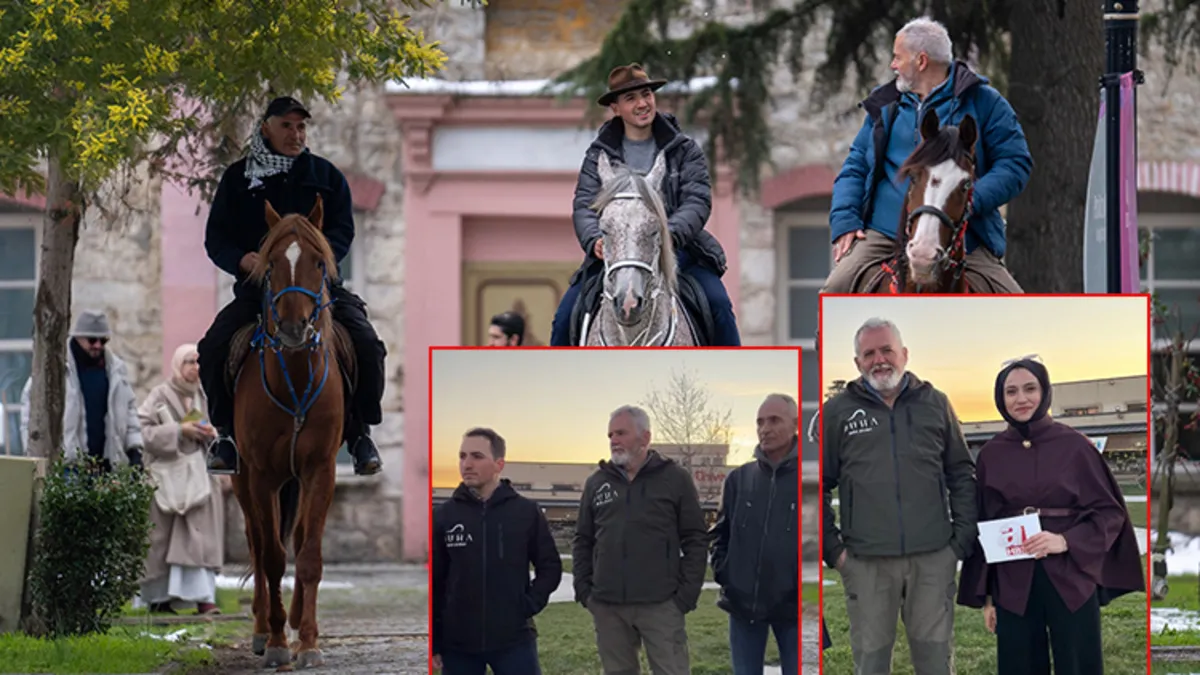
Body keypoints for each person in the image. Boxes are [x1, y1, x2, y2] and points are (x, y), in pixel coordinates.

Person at [198, 95, 385, 476]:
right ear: (265, 128)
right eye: (286, 126)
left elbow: (343, 231)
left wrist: (319, 261)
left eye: (301, 127)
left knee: (368, 344)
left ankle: (360, 435)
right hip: (258, 292)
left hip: (319, 290)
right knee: (212, 348)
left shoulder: (327, 177)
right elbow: (216, 238)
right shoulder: (238, 179)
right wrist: (243, 260)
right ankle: (226, 437)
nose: (295, 134)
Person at [956, 357, 1144, 675]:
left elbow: (1110, 512)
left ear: (1044, 392)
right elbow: (985, 523)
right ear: (1000, 398)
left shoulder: (1076, 446)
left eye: (1030, 388)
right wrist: (988, 596)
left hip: (1071, 577)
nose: (1021, 398)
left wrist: (1065, 540)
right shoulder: (991, 454)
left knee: (1078, 664)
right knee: (1019, 665)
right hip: (1013, 581)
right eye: (1011, 391)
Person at [823, 17, 1032, 294]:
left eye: (898, 57)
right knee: (835, 291)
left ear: (921, 61)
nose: (893, 65)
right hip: (885, 233)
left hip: (965, 238)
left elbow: (1014, 164)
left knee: (1015, 304)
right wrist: (846, 221)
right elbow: (856, 166)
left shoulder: (985, 102)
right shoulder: (885, 104)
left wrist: (970, 200)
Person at [821, 317, 977, 675]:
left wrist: (959, 542)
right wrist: (836, 552)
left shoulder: (936, 403)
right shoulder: (838, 412)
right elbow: (817, 485)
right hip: (866, 563)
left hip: (933, 558)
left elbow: (961, 472)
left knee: (936, 663)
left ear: (904, 354)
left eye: (887, 350)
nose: (879, 360)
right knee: (871, 663)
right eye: (869, 354)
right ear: (858, 362)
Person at [550, 63, 740, 347]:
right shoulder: (598, 155)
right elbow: (585, 206)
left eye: (646, 95)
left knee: (719, 305)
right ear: (615, 108)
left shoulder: (685, 150)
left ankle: (731, 367)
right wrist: (594, 240)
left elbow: (697, 200)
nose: (642, 104)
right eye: (631, 98)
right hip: (616, 255)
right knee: (564, 318)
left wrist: (670, 234)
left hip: (679, 251)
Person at [573, 405, 708, 675]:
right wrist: (585, 591)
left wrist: (685, 595)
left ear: (645, 437)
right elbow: (583, 539)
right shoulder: (597, 482)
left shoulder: (675, 478)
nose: (614, 440)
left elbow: (695, 537)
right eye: (610, 435)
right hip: (608, 605)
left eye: (621, 433)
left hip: (661, 604)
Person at [431, 428, 562, 674]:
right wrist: (435, 640)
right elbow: (434, 581)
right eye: (462, 456)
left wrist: (527, 605)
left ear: (499, 464)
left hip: (514, 641)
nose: (467, 464)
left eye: (477, 456)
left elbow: (550, 567)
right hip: (458, 645)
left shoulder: (525, 512)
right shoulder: (444, 515)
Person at [134, 343, 227, 615]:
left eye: (198, 362)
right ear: (177, 365)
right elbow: (141, 432)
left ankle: (204, 599)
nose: (195, 368)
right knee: (161, 541)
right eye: (189, 362)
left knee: (199, 538)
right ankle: (160, 600)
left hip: (200, 481)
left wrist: (211, 434)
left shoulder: (206, 396)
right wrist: (178, 431)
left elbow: (224, 430)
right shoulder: (159, 395)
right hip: (167, 480)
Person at [711, 393, 800, 675]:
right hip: (743, 606)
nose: (765, 428)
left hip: (796, 609)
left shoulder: (811, 479)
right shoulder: (738, 479)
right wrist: (725, 574)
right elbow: (720, 534)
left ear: (796, 424)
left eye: (774, 420)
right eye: (760, 422)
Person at [20, 309, 143, 472]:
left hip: (107, 466)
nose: (98, 345)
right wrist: (33, 452)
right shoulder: (56, 369)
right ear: (78, 337)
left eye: (103, 340)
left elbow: (129, 412)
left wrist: (134, 449)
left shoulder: (116, 370)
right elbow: (30, 413)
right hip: (68, 467)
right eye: (92, 340)